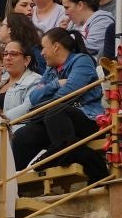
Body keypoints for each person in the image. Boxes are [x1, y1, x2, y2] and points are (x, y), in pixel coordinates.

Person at [8, 29, 107, 186]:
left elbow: (68, 94)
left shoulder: (82, 61)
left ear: (55, 47)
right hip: (56, 121)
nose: (41, 53)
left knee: (55, 110)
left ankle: (57, 156)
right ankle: (17, 187)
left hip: (88, 120)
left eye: (43, 47)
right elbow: (34, 98)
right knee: (23, 135)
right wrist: (55, 84)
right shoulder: (51, 70)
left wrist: (48, 94)